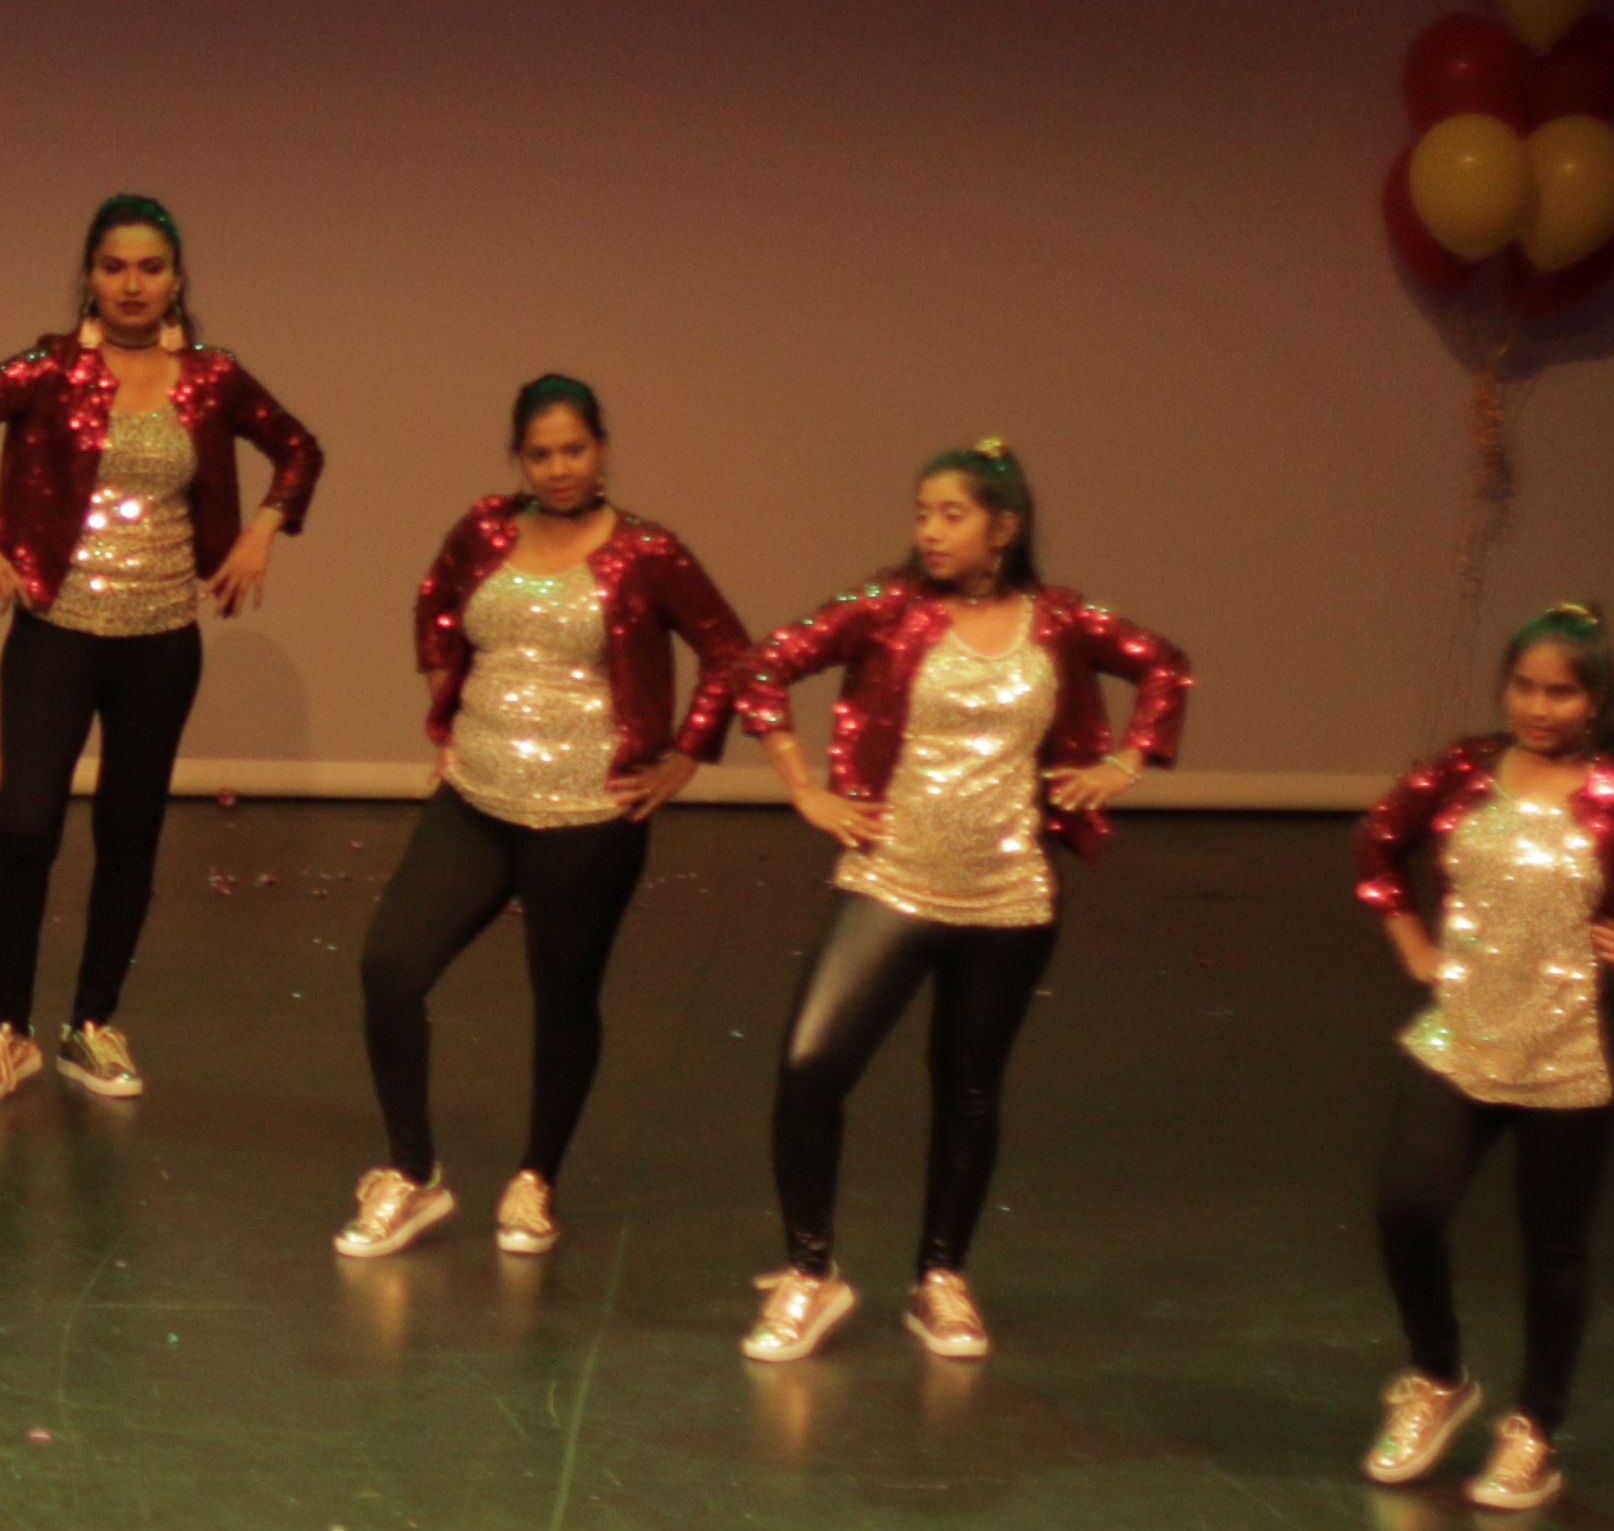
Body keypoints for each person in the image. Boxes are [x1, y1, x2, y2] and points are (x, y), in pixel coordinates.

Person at [719, 440, 1189, 1363]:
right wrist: (805, 787)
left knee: (968, 1089)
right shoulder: (889, 607)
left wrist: (1126, 762)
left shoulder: (1057, 621)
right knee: (812, 1067)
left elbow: (1165, 667)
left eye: (951, 514)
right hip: (892, 877)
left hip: (1008, 893)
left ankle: (942, 1277)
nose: (930, 531)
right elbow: (764, 666)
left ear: (1003, 528)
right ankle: (811, 1272)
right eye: (922, 513)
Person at [0, 196, 320, 1105]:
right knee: (27, 829)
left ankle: (92, 1024)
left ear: (176, 279)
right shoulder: (51, 369)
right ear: (90, 276)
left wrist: (261, 533)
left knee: (130, 833)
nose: (132, 284)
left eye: (150, 267)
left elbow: (298, 449)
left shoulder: (210, 378)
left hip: (162, 639)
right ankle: (7, 1028)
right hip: (55, 632)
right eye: (115, 266)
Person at [1349, 603, 1614, 1511]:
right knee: (1406, 1206)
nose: (1538, 707)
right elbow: (1379, 840)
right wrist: (1414, 942)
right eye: (1525, 687)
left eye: (1561, 692)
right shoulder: (1465, 769)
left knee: (1553, 1241)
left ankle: (1535, 1426)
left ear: (1597, 699)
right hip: (1464, 1026)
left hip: (1574, 1037)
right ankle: (1437, 1377)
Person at [336, 376, 752, 1261]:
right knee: (390, 967)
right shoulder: (485, 531)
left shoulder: (647, 552)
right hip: (476, 799)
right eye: (540, 454)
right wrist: (446, 713)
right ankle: (412, 1173)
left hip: (589, 811)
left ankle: (535, 1179)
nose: (559, 469)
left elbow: (728, 652)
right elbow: (435, 606)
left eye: (574, 450)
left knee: (562, 997)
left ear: (601, 450)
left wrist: (685, 755)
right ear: (518, 459)